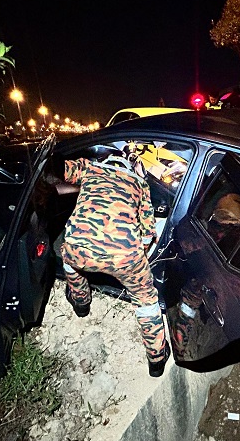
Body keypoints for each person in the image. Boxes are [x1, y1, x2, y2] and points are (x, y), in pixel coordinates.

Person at [59, 143, 171, 377]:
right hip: (124, 256)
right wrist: (137, 259)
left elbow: (60, 170)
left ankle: (81, 304)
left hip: (80, 247)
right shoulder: (140, 184)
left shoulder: (91, 169)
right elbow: (148, 233)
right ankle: (157, 360)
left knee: (69, 259)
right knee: (145, 300)